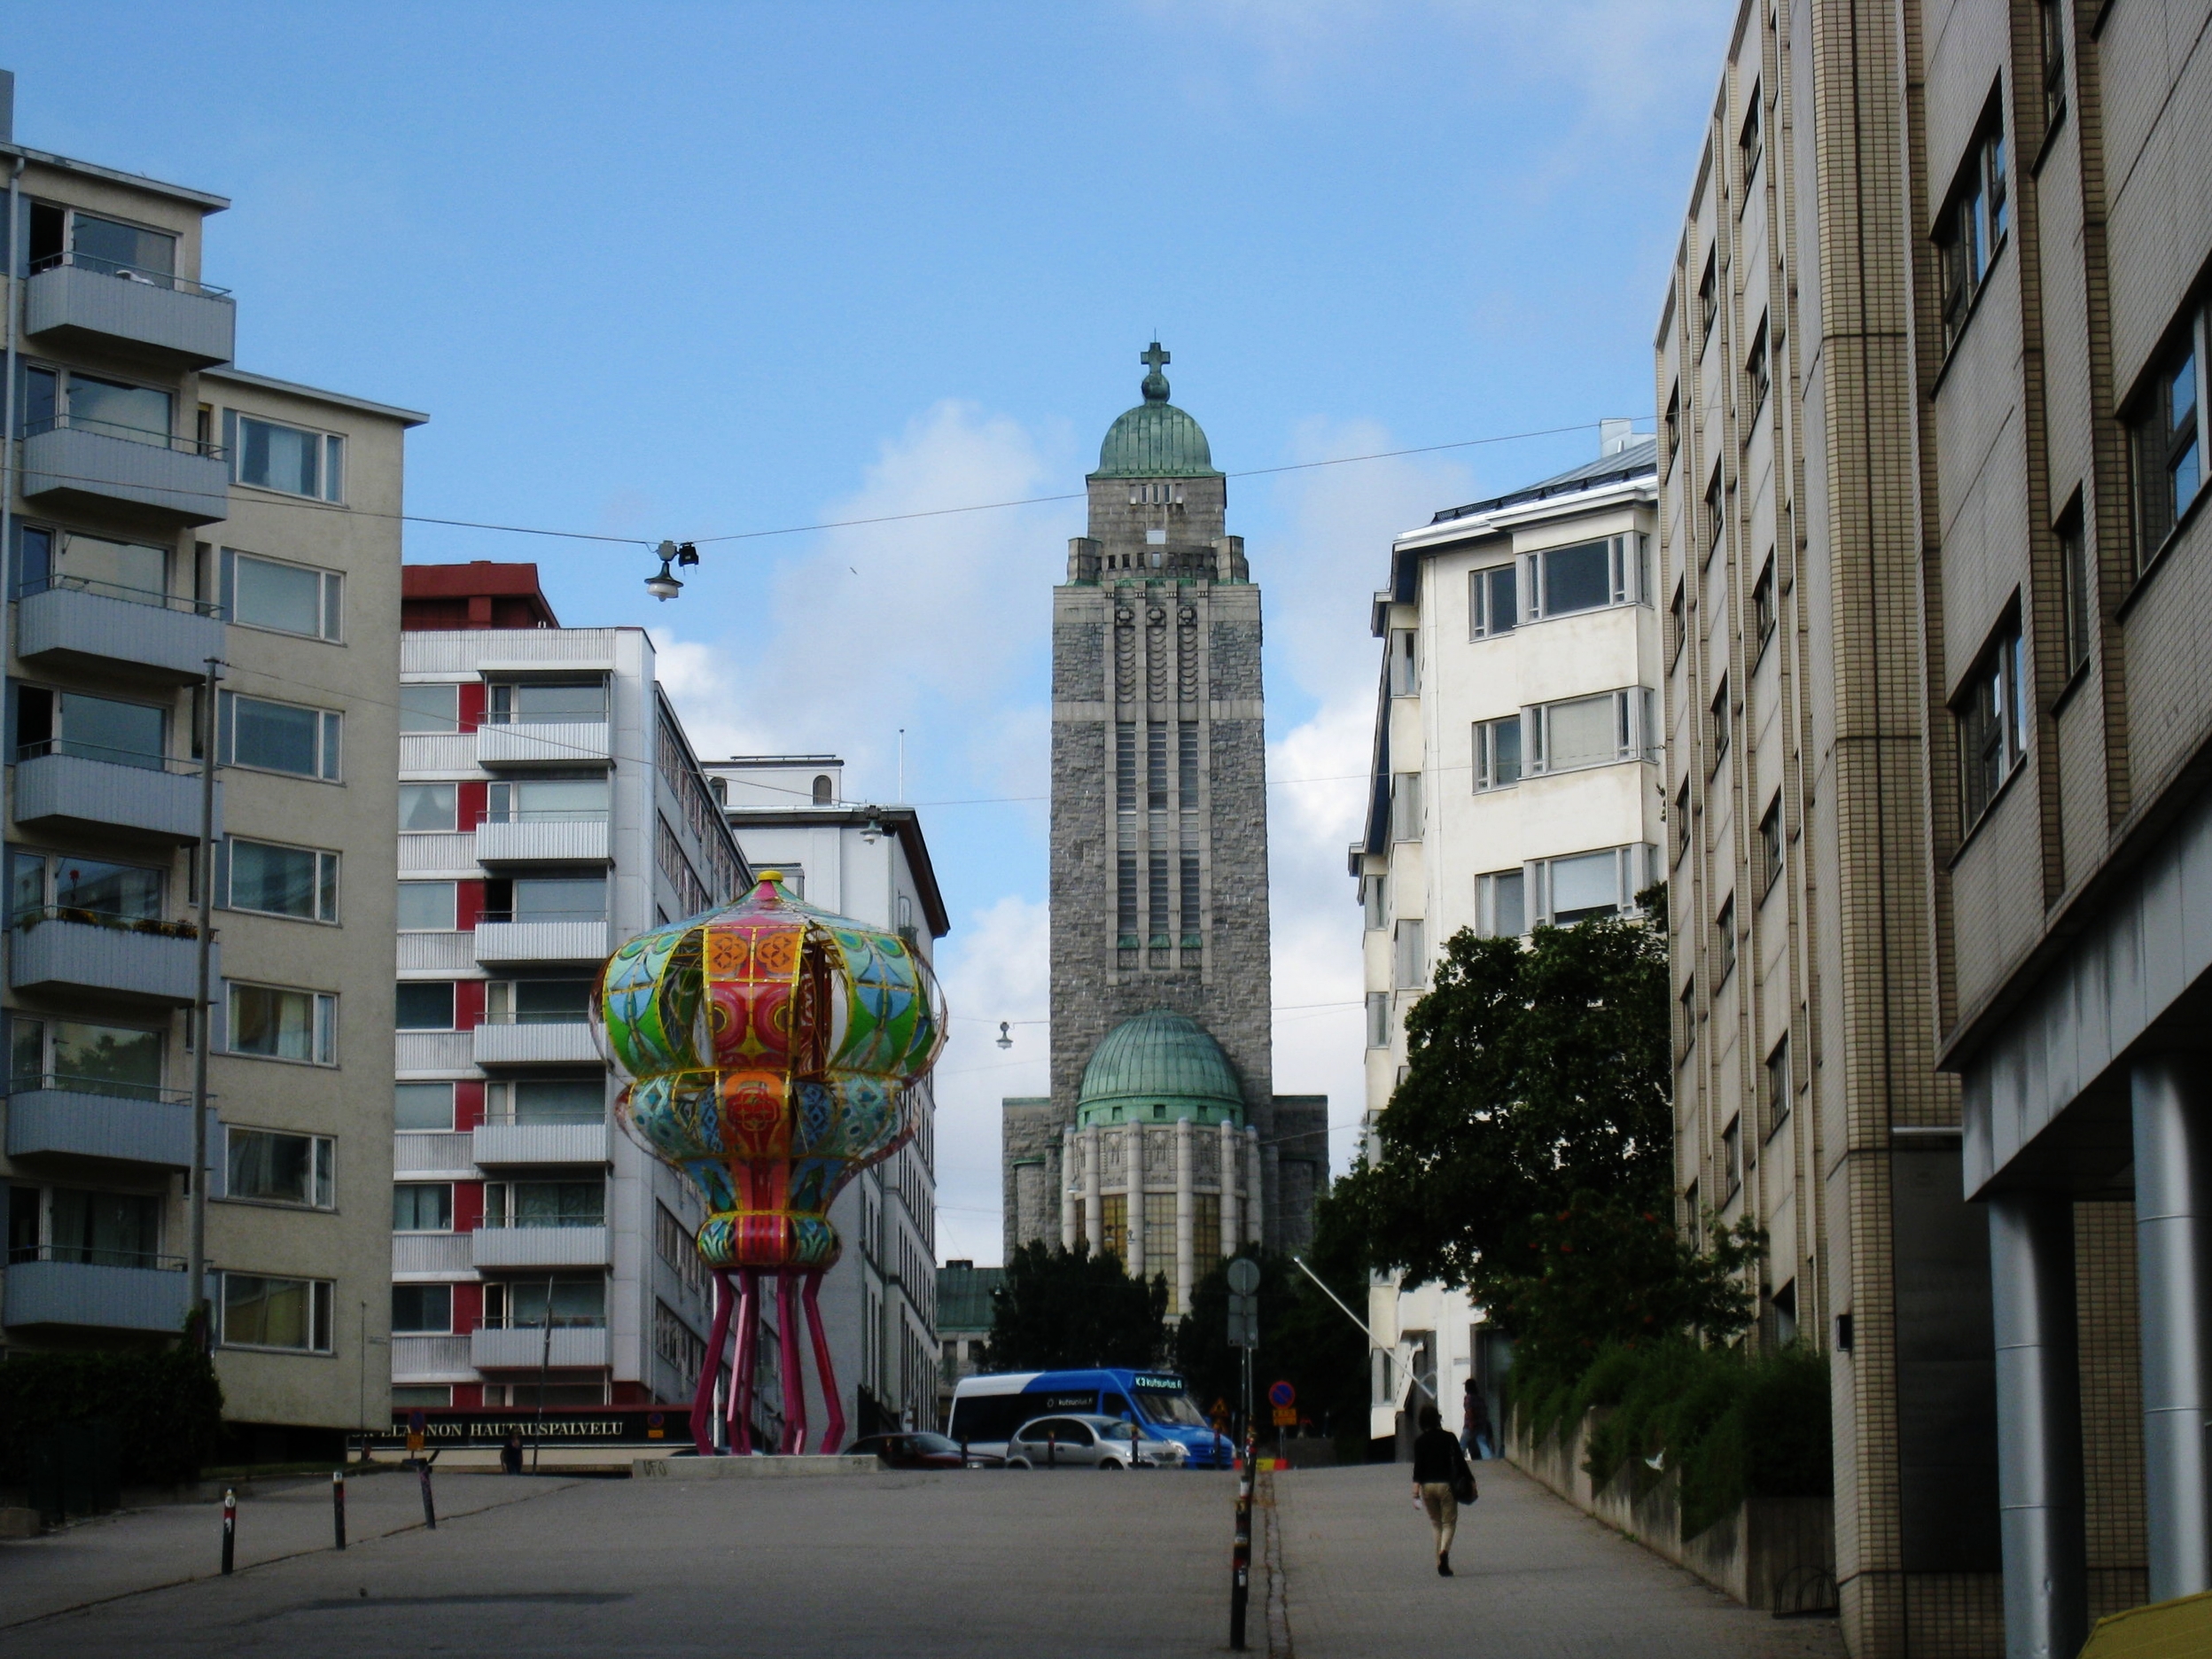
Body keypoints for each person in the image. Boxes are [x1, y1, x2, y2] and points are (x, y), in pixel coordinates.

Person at [1411, 1403, 1473, 1576]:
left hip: (1427, 1487)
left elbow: (1418, 1469)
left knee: (1436, 1524)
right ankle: (1444, 1552)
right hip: (1446, 1485)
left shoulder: (1420, 1442)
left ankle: (1439, 1561)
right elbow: (1460, 1462)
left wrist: (1415, 1492)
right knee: (1449, 1523)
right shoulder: (1449, 1438)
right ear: (1437, 1419)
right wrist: (1471, 1480)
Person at [1461, 1377, 1494, 1461]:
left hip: (1470, 1426)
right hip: (1480, 1425)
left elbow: (1469, 1411)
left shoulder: (1468, 1398)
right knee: (1482, 1443)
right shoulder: (1480, 1399)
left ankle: (1457, 1460)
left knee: (1463, 1443)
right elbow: (1484, 1412)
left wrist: (1471, 1424)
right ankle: (1489, 1459)